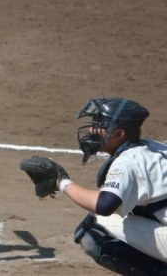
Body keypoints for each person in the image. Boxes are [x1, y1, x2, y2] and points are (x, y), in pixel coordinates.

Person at [58, 95, 167, 276]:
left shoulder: (128, 161)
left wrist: (62, 183)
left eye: (98, 125)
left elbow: (104, 205)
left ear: (118, 134)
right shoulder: (155, 148)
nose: (91, 130)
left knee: (93, 229)